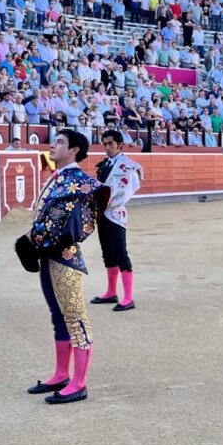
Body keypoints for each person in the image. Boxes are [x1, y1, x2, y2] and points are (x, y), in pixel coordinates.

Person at [24, 128, 110, 405]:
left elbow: (79, 224)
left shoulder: (79, 181)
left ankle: (79, 382)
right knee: (58, 315)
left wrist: (42, 240)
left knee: (75, 317)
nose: (53, 145)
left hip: (65, 256)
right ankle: (61, 373)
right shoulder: (59, 178)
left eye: (60, 142)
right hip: (49, 255)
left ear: (74, 150)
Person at [89, 128, 144, 311]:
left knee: (120, 253)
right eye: (104, 144)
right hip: (102, 214)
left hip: (115, 215)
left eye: (110, 144)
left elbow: (125, 192)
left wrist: (104, 203)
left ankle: (128, 297)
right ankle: (111, 292)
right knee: (108, 253)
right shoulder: (105, 165)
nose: (107, 147)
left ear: (120, 145)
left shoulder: (128, 166)